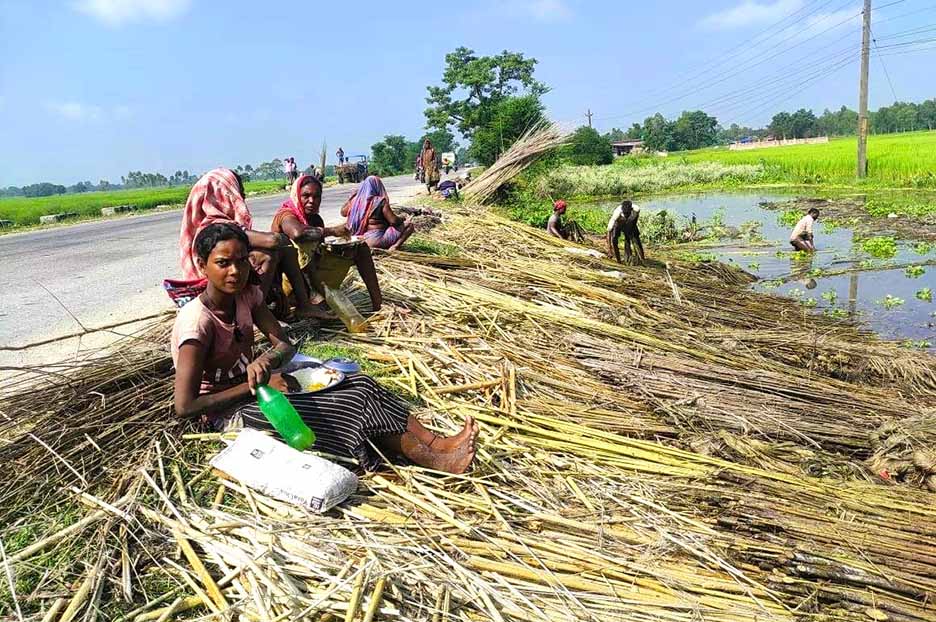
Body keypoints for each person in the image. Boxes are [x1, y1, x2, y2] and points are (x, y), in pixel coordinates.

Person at [172, 222, 478, 473]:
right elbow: (185, 407)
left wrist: (266, 360)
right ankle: (432, 460)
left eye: (241, 261)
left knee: (359, 382)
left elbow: (283, 342)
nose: (235, 272)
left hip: (259, 388)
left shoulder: (246, 295)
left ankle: (436, 442)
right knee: (345, 405)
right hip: (227, 412)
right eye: (223, 263)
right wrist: (255, 386)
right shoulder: (197, 324)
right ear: (202, 265)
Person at [176, 167, 317, 319]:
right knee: (267, 255)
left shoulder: (217, 221)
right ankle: (252, 315)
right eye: (238, 191)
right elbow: (272, 240)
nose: (242, 196)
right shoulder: (215, 226)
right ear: (224, 194)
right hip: (216, 289)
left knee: (282, 249)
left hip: (231, 282)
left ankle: (304, 305)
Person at [273, 174, 383, 312]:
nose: (312, 201)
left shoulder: (315, 219)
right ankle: (304, 301)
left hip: (312, 277)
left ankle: (378, 304)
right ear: (296, 195)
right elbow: (298, 233)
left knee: (360, 249)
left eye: (316, 196)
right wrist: (333, 231)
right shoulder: (286, 214)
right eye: (306, 196)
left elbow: (317, 253)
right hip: (289, 282)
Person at [341, 175, 415, 251]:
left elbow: (343, 213)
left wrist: (350, 198)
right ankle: (395, 246)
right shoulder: (380, 201)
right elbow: (394, 221)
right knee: (409, 225)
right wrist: (402, 218)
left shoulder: (355, 201)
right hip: (374, 241)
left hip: (356, 239)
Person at [607, 199, 645, 264]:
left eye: (628, 213)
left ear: (631, 209)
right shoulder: (617, 214)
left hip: (630, 222)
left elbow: (635, 219)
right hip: (618, 223)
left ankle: (641, 259)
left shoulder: (636, 210)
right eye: (625, 213)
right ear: (622, 211)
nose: (626, 215)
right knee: (614, 240)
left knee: (636, 239)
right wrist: (610, 248)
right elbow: (609, 231)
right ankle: (618, 261)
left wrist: (630, 229)